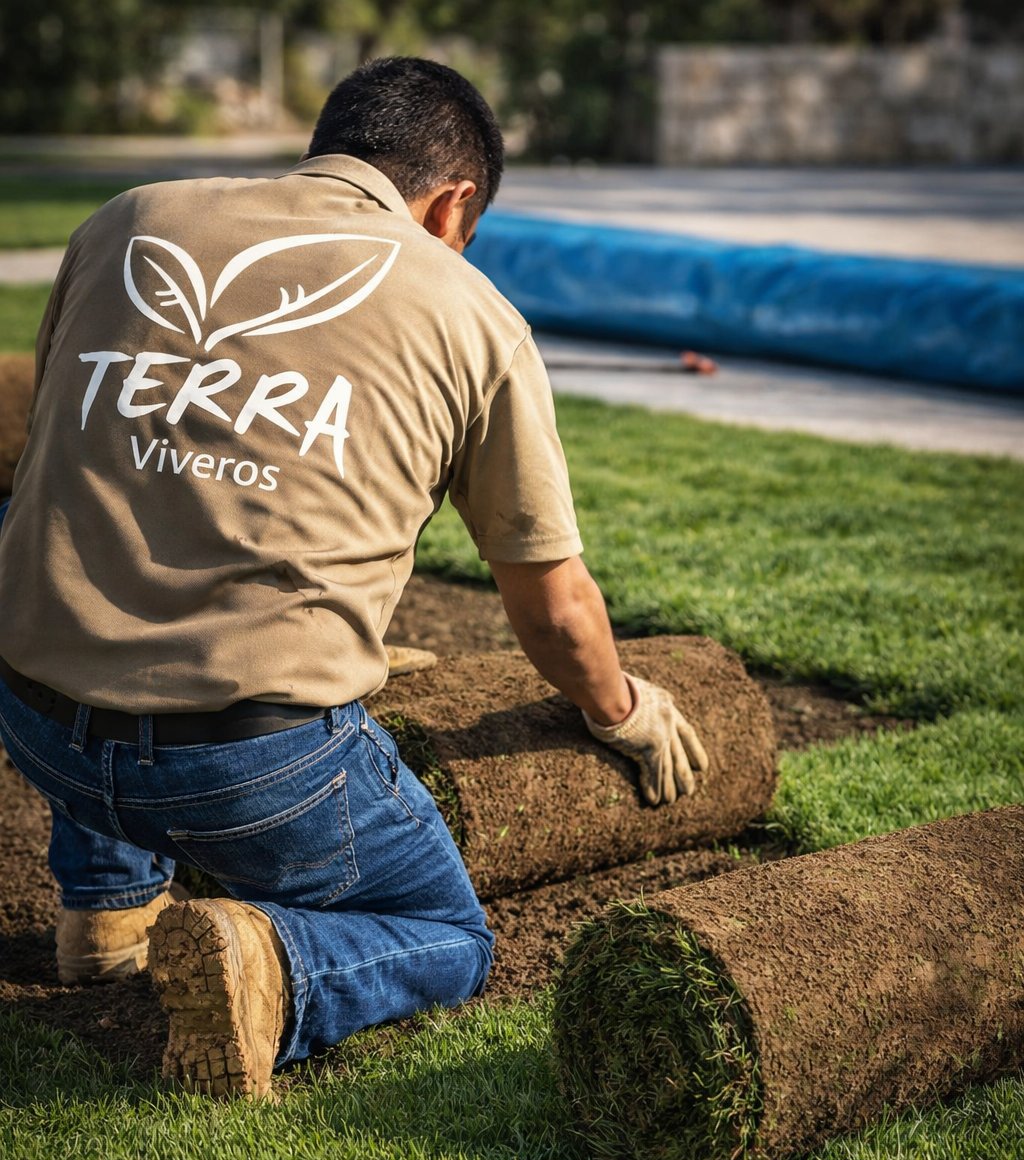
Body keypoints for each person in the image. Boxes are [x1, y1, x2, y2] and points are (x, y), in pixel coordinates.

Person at [0, 57, 707, 1099]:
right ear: (453, 203)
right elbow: (555, 613)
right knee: (449, 935)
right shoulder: (471, 314)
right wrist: (622, 709)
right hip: (247, 774)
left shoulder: (128, 221)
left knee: (94, 517)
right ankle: (274, 966)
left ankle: (105, 913)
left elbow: (67, 454)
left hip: (33, 724)